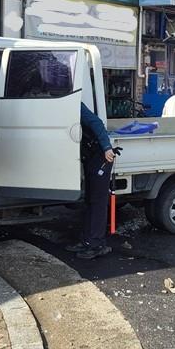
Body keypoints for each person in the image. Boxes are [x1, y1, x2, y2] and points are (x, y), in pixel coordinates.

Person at [65, 103, 116, 259]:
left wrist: (107, 147)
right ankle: (87, 241)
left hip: (101, 157)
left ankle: (97, 244)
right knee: (89, 200)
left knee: (97, 202)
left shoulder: (75, 104)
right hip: (90, 157)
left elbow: (96, 123)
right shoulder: (63, 107)